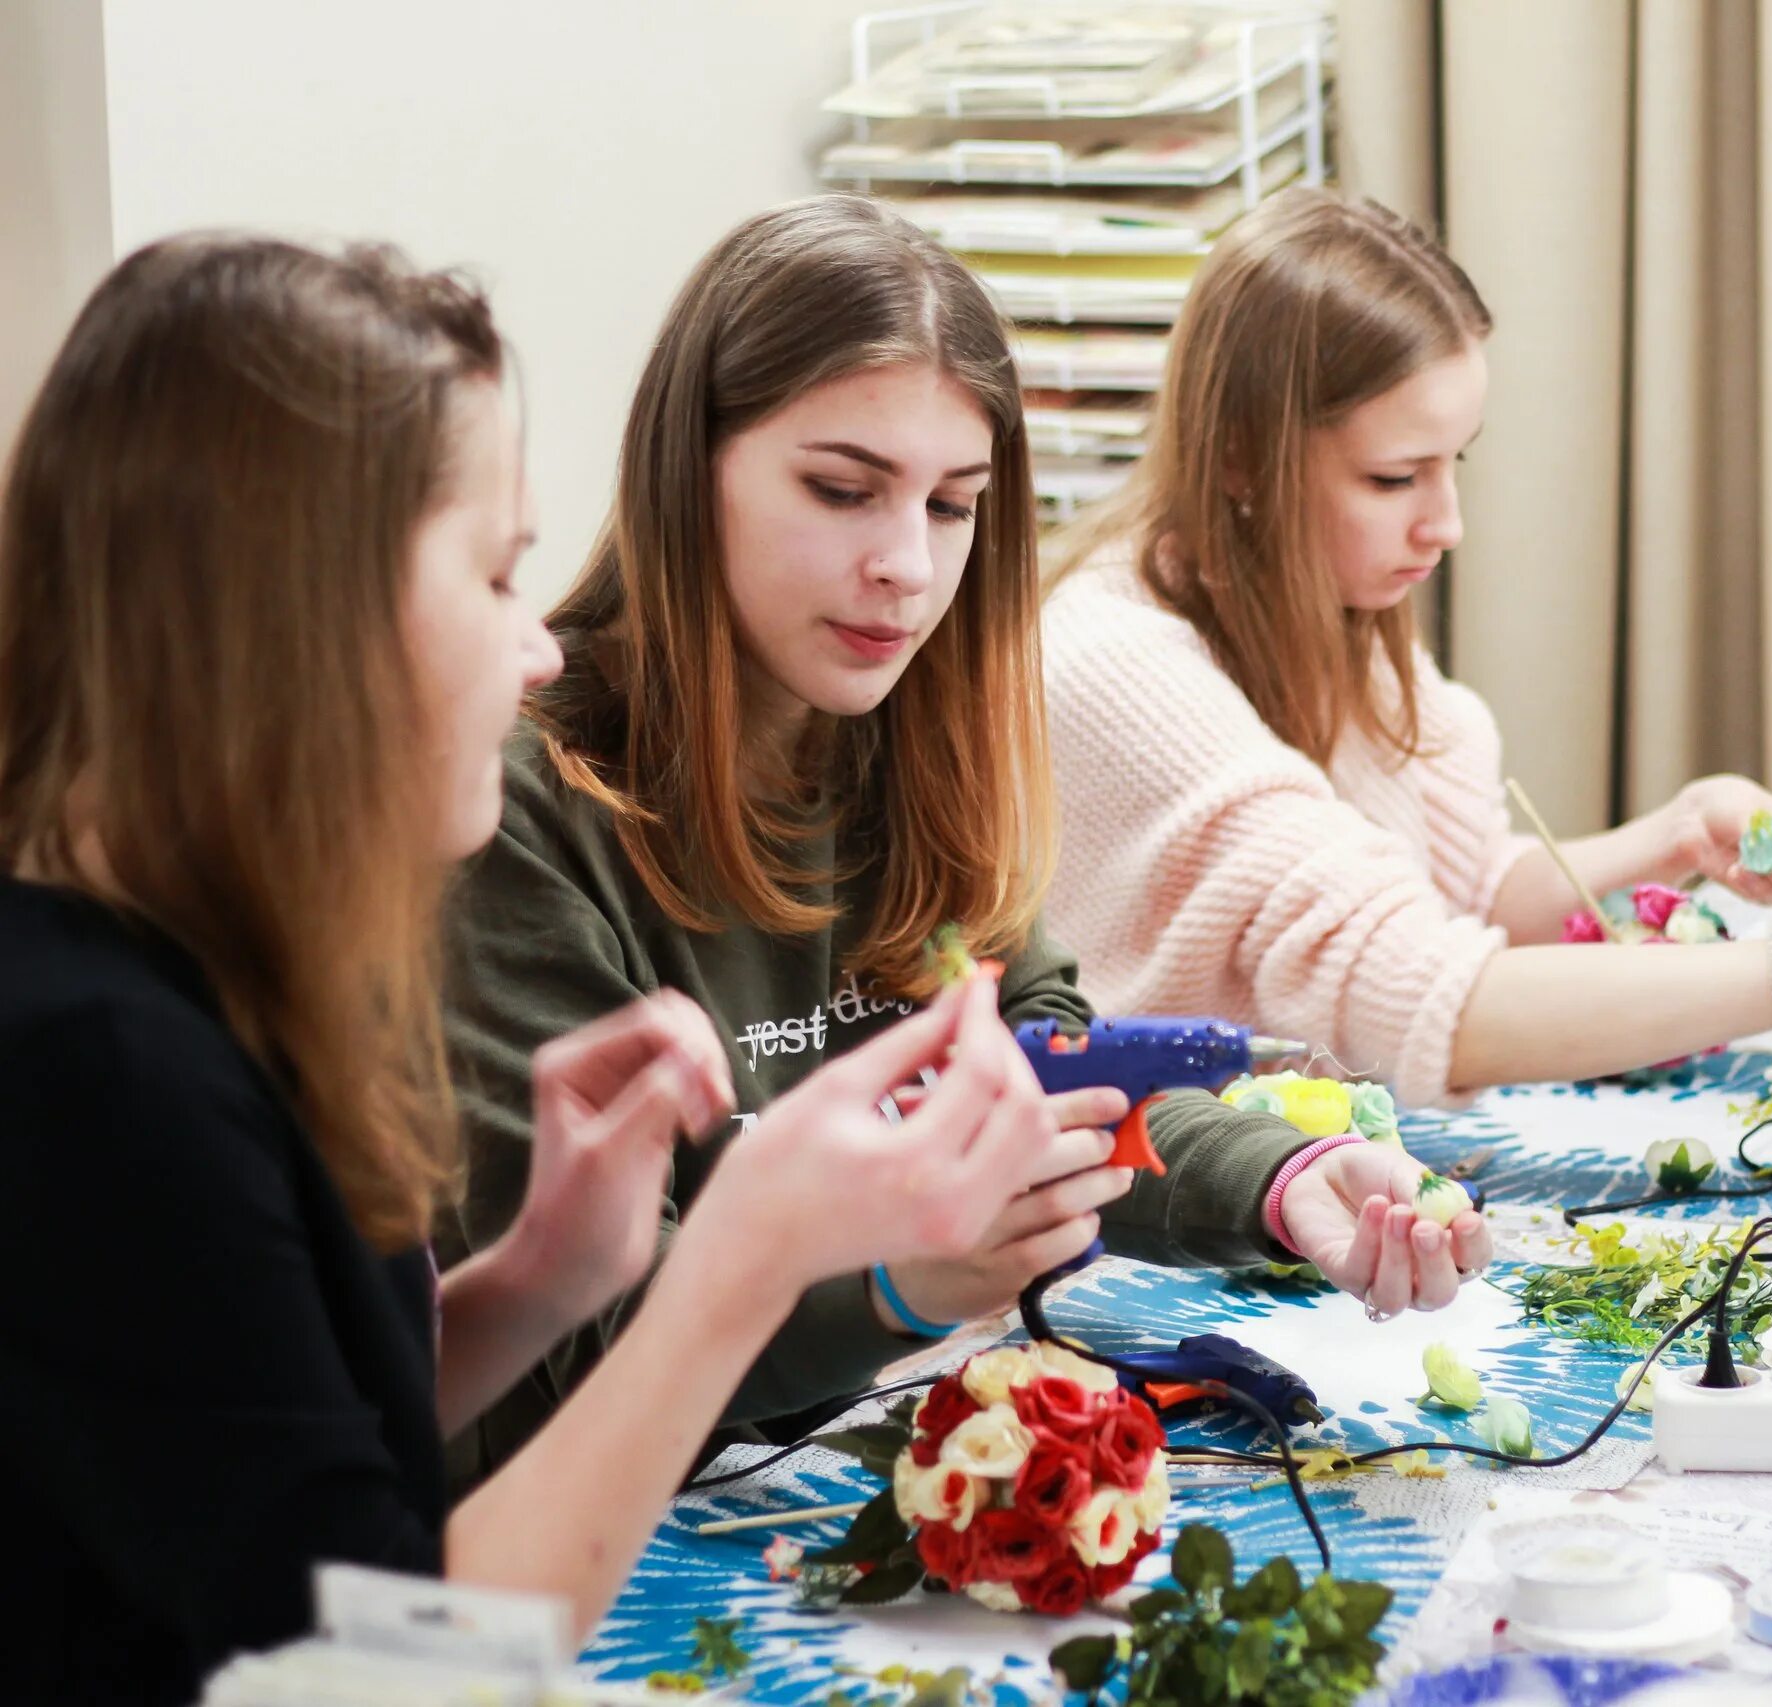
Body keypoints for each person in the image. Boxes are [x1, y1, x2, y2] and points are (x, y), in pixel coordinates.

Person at [0, 235, 1072, 1702]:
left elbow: (276, 1452)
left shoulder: (204, 968)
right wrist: (745, 1262)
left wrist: (536, 1282)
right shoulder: (89, 1065)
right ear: (296, 611)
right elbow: (363, 1663)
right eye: (499, 574)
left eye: (952, 505)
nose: (540, 651)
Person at [439, 196, 1492, 1482]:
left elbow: (1051, 1066)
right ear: (685, 469)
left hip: (834, 1457)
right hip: (585, 1526)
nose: (905, 566)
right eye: (841, 489)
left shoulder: (902, 736)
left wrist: (1281, 1179)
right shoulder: (517, 809)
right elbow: (579, 1343)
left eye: (952, 505)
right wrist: (894, 1287)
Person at [1043, 186, 1772, 1111]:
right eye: (1393, 477)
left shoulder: (1309, 603)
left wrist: (1678, 833)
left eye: (1455, 461)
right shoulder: (1115, 664)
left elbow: (1450, 905)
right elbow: (1428, 997)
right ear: (1240, 457)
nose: (1446, 522)